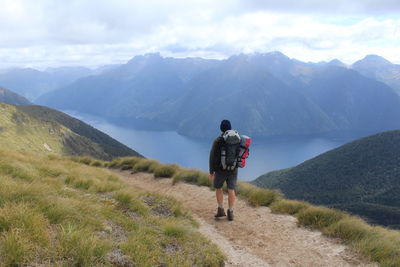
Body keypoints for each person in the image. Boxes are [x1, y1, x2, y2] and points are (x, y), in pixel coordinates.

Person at [209, 119, 238, 221]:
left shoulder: (218, 140)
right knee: (231, 190)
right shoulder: (237, 139)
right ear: (230, 128)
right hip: (233, 169)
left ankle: (221, 210)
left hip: (220, 170)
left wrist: (211, 172)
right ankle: (230, 212)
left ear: (221, 128)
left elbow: (212, 157)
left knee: (218, 188)